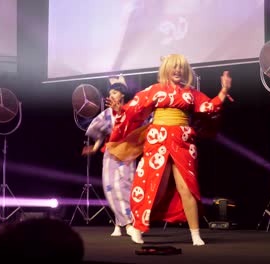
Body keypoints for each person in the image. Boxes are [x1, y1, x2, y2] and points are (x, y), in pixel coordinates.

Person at [107, 54, 232, 246]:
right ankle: (138, 226)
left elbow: (209, 107)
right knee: (156, 187)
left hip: (183, 143)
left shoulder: (191, 93)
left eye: (181, 67)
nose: (178, 70)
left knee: (187, 188)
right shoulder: (155, 90)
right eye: (174, 67)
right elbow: (134, 108)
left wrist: (223, 91)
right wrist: (120, 110)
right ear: (166, 69)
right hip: (158, 141)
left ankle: (195, 234)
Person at [82, 75, 136, 237]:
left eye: (115, 92)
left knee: (126, 187)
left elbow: (136, 129)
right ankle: (120, 224)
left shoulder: (131, 111)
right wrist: (94, 148)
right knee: (110, 188)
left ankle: (128, 223)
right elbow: (101, 134)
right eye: (110, 92)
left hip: (127, 153)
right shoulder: (106, 114)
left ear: (122, 95)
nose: (111, 95)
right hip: (111, 154)